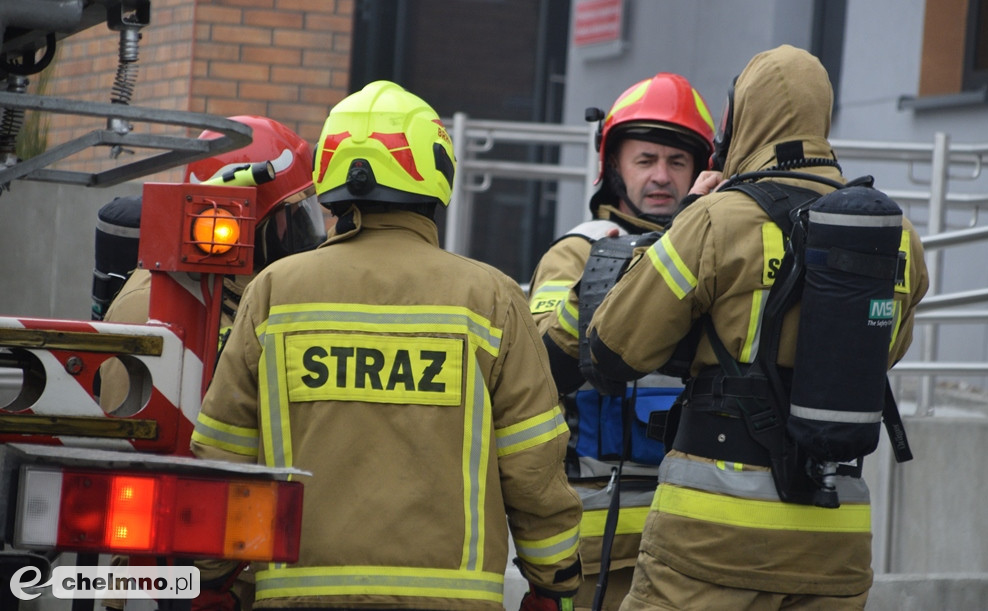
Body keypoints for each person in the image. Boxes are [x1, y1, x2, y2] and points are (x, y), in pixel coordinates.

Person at [190, 80, 583, 610]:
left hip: (298, 598)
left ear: (331, 177)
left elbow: (225, 451)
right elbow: (532, 464)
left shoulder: (274, 292)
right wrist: (553, 583)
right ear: (436, 173)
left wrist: (211, 579)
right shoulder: (489, 298)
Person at [586, 45, 929, 609]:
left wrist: (676, 231)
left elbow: (612, 350)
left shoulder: (716, 220)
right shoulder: (897, 238)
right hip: (835, 538)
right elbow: (879, 354)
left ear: (741, 117)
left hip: (710, 536)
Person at [98, 114, 326, 611]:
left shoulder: (251, 296)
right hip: (165, 579)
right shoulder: (153, 306)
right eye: (293, 216)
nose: (308, 233)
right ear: (245, 219)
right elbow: (136, 463)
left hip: (233, 568)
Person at [526, 72, 717, 609]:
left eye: (678, 162)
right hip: (594, 548)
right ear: (613, 167)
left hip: (694, 540)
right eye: (645, 160)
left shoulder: (722, 252)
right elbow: (542, 366)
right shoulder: (577, 252)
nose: (662, 176)